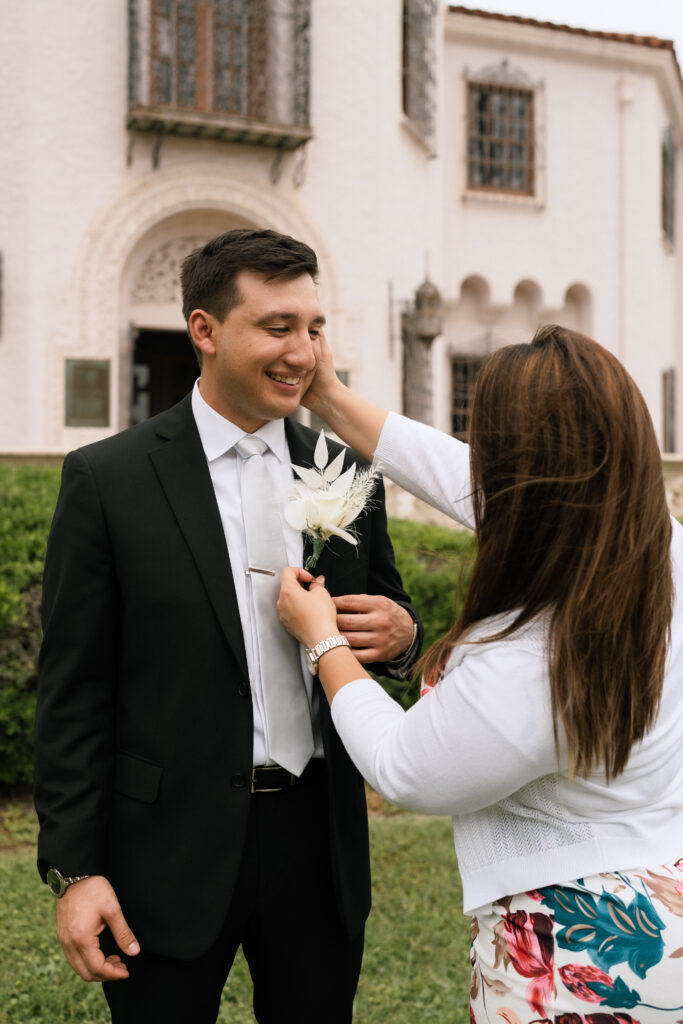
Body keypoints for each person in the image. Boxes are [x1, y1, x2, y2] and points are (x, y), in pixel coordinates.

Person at [34, 228, 422, 1024]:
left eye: (313, 328)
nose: (304, 352)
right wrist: (77, 872)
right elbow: (74, 689)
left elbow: (385, 619)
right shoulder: (108, 480)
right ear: (204, 331)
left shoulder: (345, 471)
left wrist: (401, 633)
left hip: (317, 841)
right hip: (163, 849)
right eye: (277, 327)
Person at [278, 324, 683, 1021]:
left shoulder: (531, 667)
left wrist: (323, 643)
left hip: (572, 955)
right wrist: (330, 397)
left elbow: (404, 766)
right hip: (661, 899)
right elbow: (461, 477)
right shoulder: (653, 547)